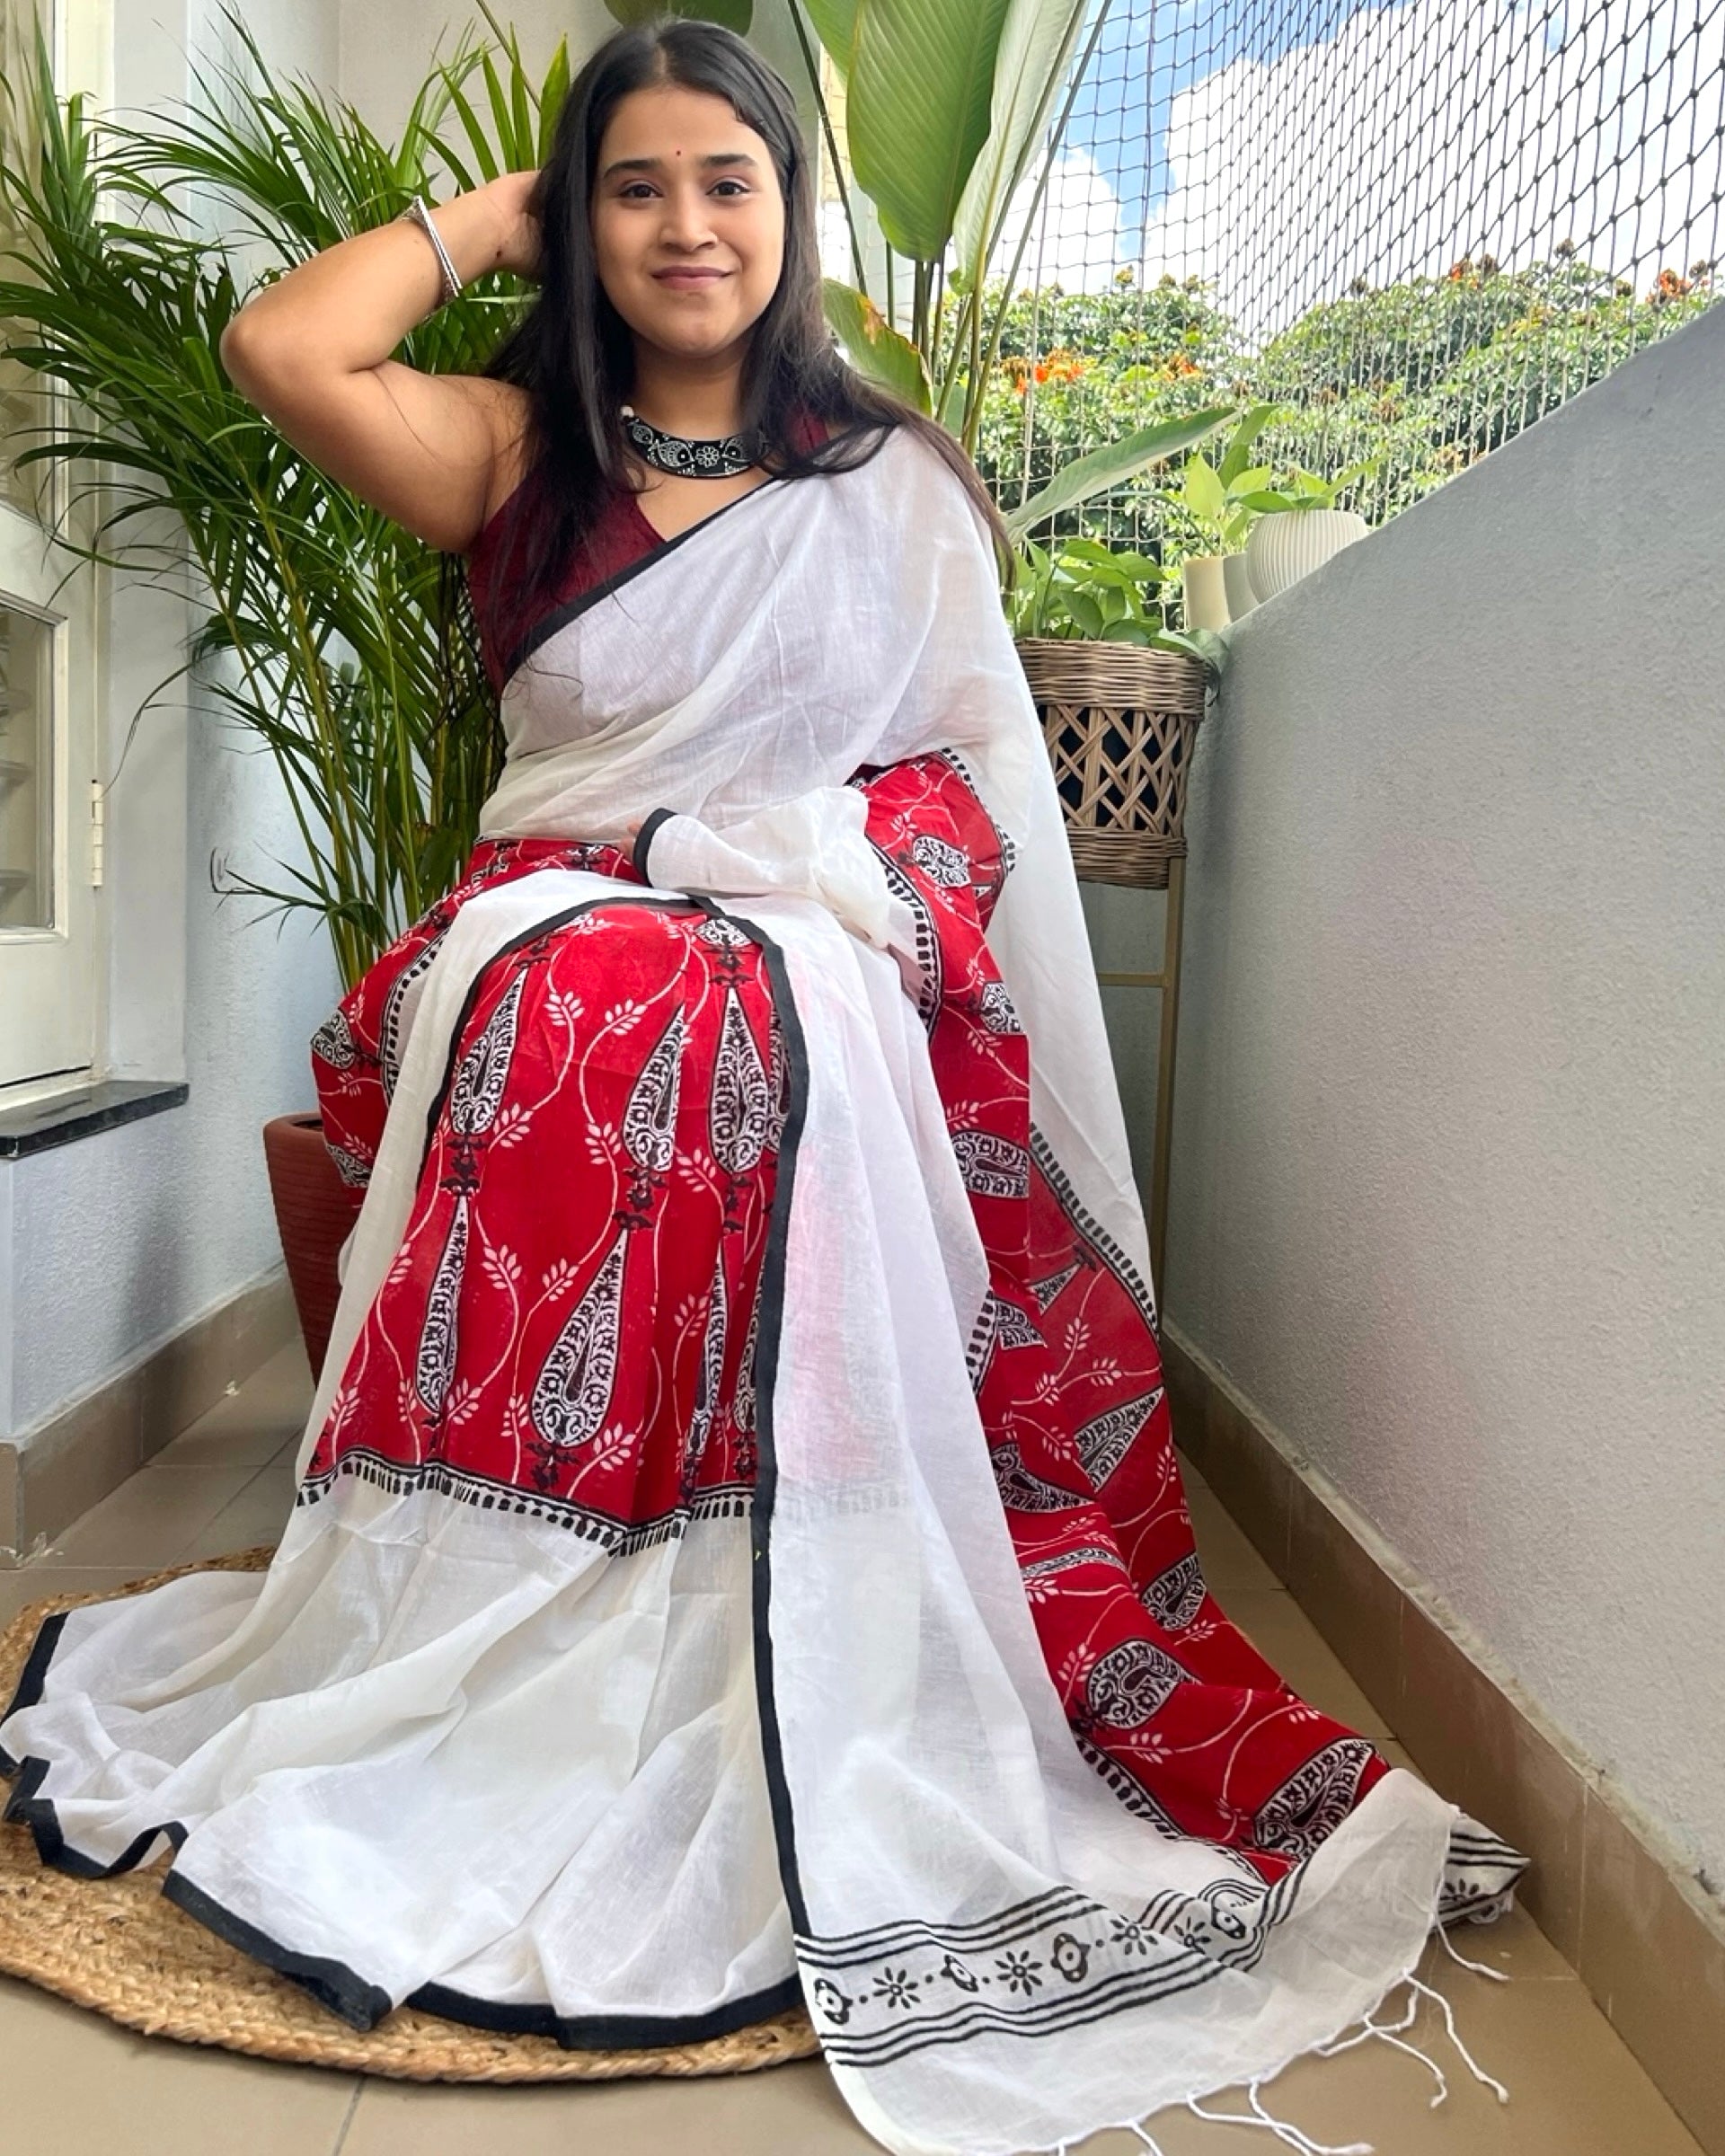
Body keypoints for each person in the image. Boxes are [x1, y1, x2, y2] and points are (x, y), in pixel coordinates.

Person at [0, 21, 1526, 2154]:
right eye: (634, 187)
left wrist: (814, 883)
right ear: (581, 219)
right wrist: (493, 216)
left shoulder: (891, 484)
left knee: (739, 1017)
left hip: (823, 927)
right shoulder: (518, 452)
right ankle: (503, 1606)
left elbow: (959, 789)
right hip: (557, 913)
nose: (687, 225)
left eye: (731, 180)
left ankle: (763, 1610)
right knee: (578, 1002)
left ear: (791, 210)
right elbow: (283, 344)